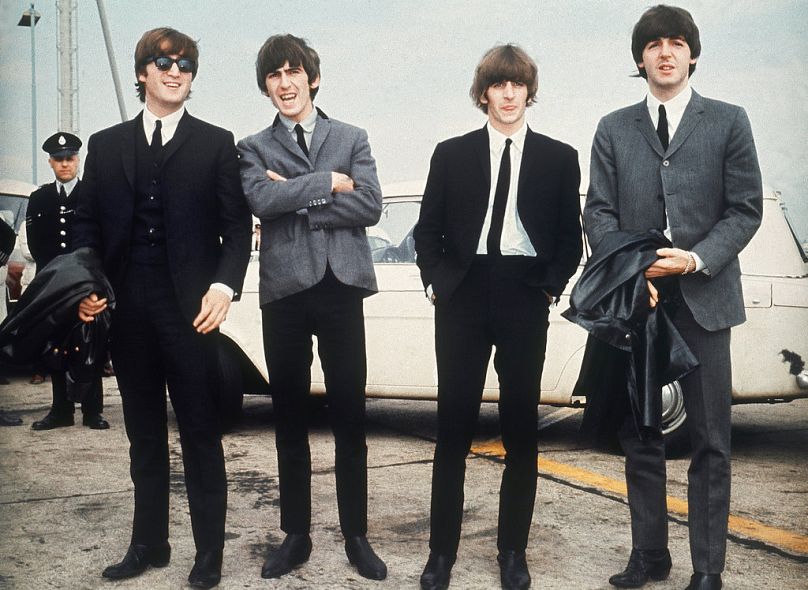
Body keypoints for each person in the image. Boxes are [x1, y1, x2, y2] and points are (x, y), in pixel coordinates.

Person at [585, 6, 762, 590]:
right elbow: (599, 212)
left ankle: (707, 568)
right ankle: (649, 556)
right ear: (640, 59)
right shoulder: (613, 128)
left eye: (677, 43)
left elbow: (745, 209)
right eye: (654, 44)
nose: (666, 52)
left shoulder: (729, 121)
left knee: (711, 438)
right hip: (642, 303)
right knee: (641, 434)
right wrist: (636, 274)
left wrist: (695, 258)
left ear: (692, 54)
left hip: (706, 300)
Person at [73, 27, 252, 589]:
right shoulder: (103, 145)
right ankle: (148, 544)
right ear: (142, 72)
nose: (176, 71)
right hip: (126, 311)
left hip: (191, 312)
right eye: (163, 61)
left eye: (186, 65)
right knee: (143, 434)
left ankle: (208, 555)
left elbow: (236, 228)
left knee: (200, 431)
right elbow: (85, 226)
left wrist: (224, 288)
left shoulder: (217, 143)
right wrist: (87, 286)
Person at [413, 44, 582, 590]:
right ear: (483, 92)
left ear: (529, 91)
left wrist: (546, 289)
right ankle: (441, 554)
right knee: (453, 428)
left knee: (520, 431)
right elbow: (427, 231)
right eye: (498, 84)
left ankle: (513, 552)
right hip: (463, 293)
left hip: (522, 293)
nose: (508, 94)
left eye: (517, 85)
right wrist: (441, 284)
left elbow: (567, 241)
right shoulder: (451, 153)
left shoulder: (559, 157)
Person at [238, 34, 387, 582]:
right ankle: (295, 535)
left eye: (293, 72)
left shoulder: (352, 135)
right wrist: (326, 182)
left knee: (350, 417)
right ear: (267, 87)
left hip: (342, 288)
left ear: (312, 78)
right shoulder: (252, 147)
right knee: (289, 419)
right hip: (285, 293)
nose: (285, 83)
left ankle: (356, 536)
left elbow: (370, 204)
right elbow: (261, 200)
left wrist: (297, 194)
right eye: (274, 75)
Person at [26, 132, 108, 431]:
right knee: (56, 346)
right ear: (50, 162)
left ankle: (92, 411)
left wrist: (88, 281)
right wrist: (57, 279)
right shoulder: (40, 198)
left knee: (90, 344)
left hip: (86, 282)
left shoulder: (93, 195)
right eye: (58, 160)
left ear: (78, 160)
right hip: (53, 285)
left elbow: (100, 240)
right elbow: (37, 244)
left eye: (70, 159)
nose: (64, 165)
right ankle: (60, 410)